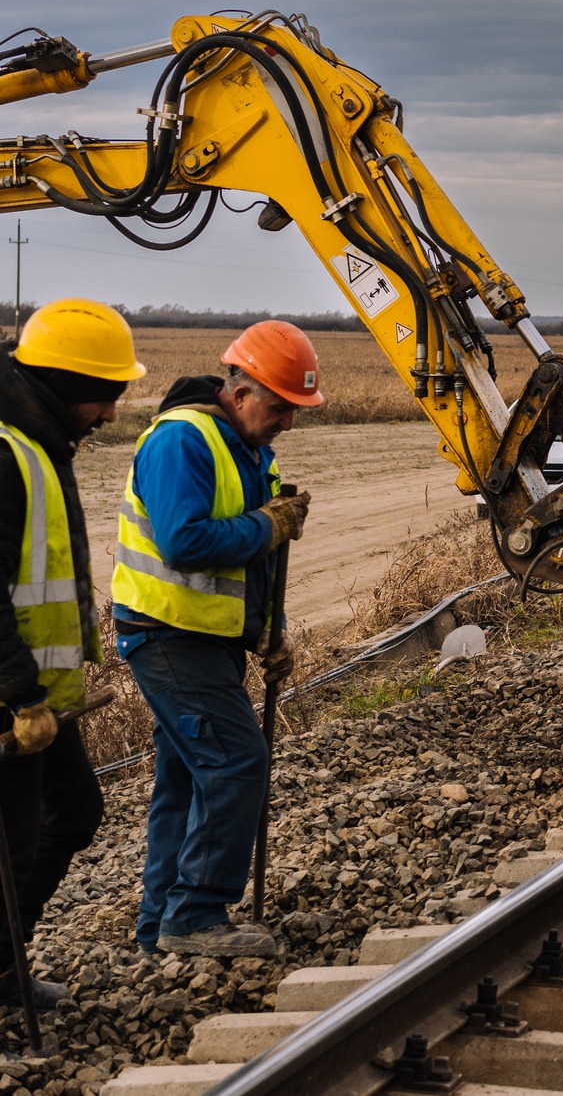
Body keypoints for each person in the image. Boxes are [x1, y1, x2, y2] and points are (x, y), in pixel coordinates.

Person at [114, 321, 318, 958]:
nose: (287, 422)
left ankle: (160, 928)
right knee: (235, 761)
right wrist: (266, 526)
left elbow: (250, 562)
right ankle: (196, 915)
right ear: (241, 391)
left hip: (206, 637)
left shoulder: (249, 448)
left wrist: (268, 634)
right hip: (169, 633)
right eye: (280, 407)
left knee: (186, 780)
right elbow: (184, 544)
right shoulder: (183, 440)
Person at [0, 300, 144, 1009]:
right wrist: (21, 695)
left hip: (40, 696)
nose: (111, 413)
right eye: (104, 395)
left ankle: (4, 968)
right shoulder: (7, 452)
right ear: (61, 382)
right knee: (12, 846)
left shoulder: (40, 442)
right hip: (15, 697)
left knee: (74, 812)